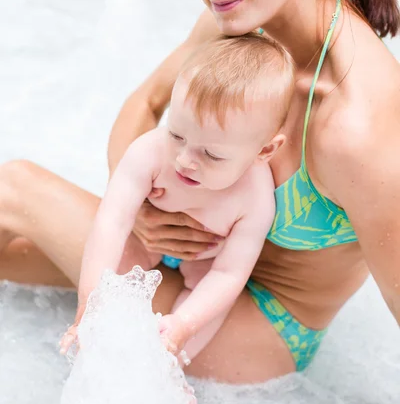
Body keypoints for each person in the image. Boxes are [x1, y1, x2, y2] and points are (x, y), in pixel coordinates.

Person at [0, 0, 399, 382]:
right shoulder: (240, 24)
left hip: (255, 328)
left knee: (15, 188)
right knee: (8, 254)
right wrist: (144, 208)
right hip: (175, 262)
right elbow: (145, 104)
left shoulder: (356, 124)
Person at [60, 33, 294, 361]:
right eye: (177, 134)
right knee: (114, 277)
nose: (184, 159)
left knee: (205, 307)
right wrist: (90, 298)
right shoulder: (150, 152)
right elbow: (112, 221)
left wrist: (184, 325)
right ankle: (87, 327)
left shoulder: (255, 200)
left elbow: (229, 273)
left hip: (206, 263)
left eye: (211, 154)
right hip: (146, 241)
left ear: (264, 150)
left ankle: (172, 369)